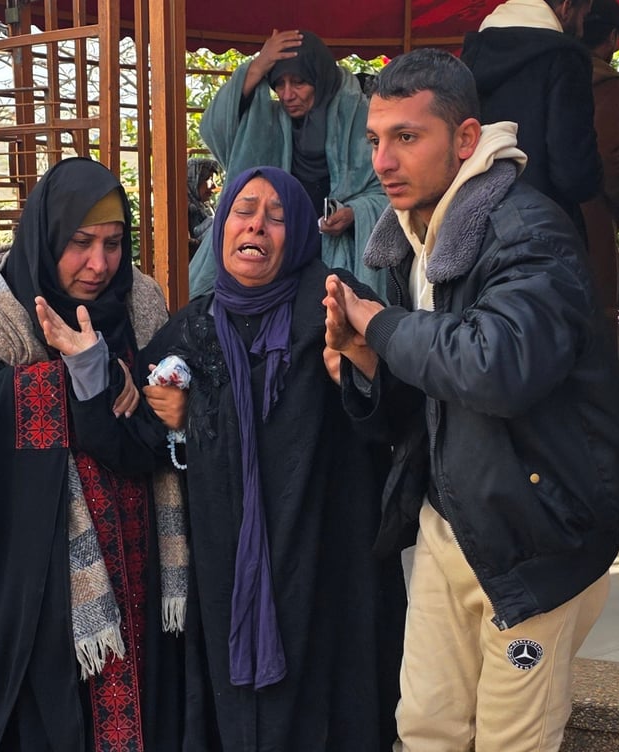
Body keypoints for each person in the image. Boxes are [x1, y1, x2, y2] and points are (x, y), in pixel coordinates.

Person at [324, 48, 619, 752]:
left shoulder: (528, 232)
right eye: (375, 139)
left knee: (511, 741)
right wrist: (369, 364)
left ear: (466, 140)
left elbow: (498, 369)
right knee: (426, 727)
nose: (383, 161)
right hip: (454, 523)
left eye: (408, 137)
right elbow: (430, 400)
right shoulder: (416, 238)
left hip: (538, 535)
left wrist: (381, 323)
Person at [89, 165, 403, 751]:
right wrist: (171, 418)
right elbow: (136, 440)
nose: (257, 224)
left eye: (278, 215)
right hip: (226, 571)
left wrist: (363, 366)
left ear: (301, 235)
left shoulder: (337, 305)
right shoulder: (194, 327)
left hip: (329, 569)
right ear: (223, 226)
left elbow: (399, 417)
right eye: (243, 210)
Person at [0, 157, 184, 751]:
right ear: (47, 237)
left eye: (113, 243)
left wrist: (162, 400)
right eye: (79, 243)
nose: (99, 265)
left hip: (141, 551)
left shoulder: (142, 305)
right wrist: (81, 375)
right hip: (46, 574)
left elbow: (160, 422)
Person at [188, 29, 388, 298]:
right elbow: (216, 127)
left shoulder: (357, 121)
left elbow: (388, 194)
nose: (287, 94)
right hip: (270, 252)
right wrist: (259, 64)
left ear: (321, 79)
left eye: (299, 82)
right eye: (279, 84)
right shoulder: (266, 124)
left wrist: (354, 214)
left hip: (336, 259)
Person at [460, 0, 601, 236]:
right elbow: (574, 174)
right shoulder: (564, 59)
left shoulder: (472, 54)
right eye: (583, 17)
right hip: (541, 229)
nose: (582, 29)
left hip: (472, 224)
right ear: (566, 7)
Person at [580, 0, 619, 340]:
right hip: (591, 214)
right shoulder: (607, 82)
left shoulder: (549, 69)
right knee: (599, 316)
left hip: (536, 208)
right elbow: (607, 156)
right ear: (612, 37)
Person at [187, 156, 220, 259]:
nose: (214, 186)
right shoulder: (182, 211)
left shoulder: (206, 207)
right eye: (208, 179)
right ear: (195, 181)